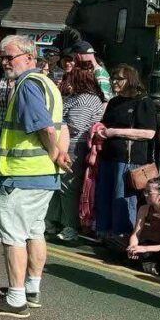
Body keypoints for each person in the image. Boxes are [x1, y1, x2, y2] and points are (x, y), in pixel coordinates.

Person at [0, 35, 70, 318]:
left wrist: (54, 151)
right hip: (43, 176)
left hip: (21, 176)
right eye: (2, 57)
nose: (4, 62)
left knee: (13, 235)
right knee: (34, 231)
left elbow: (46, 129)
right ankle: (31, 289)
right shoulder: (48, 84)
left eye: (9, 57)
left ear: (29, 57)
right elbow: (62, 126)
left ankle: (15, 299)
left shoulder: (27, 85)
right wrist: (59, 155)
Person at [93, 64, 156, 238]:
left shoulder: (143, 102)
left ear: (130, 80)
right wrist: (100, 129)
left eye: (119, 79)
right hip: (108, 156)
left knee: (122, 197)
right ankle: (104, 231)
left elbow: (149, 133)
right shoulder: (114, 102)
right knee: (104, 194)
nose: (114, 82)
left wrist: (115, 132)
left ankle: (123, 234)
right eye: (113, 78)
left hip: (128, 159)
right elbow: (105, 124)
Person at [45, 61, 105, 242]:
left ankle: (70, 225)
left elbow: (75, 126)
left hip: (74, 146)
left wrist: (52, 128)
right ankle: (53, 220)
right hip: (64, 144)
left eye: (70, 78)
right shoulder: (74, 97)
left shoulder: (86, 99)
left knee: (68, 187)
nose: (67, 82)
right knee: (57, 184)